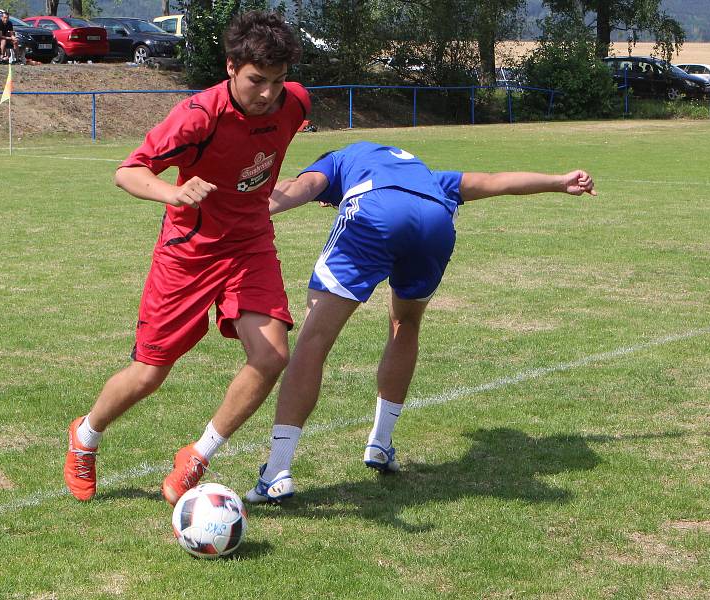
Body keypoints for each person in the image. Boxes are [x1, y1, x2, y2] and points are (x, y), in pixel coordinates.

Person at [245, 141, 597, 503]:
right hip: (435, 221)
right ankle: (380, 443)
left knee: (314, 340)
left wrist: (249, 212)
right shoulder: (427, 177)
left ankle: (277, 470)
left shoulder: (338, 160)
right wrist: (558, 181)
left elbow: (303, 186)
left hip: (375, 210)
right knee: (405, 324)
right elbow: (496, 181)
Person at [63, 10, 310, 505]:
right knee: (150, 371)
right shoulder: (198, 115)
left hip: (250, 244)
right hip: (189, 253)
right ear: (230, 67)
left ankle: (198, 454)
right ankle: (85, 436)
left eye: (277, 82)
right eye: (256, 81)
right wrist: (169, 194)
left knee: (271, 356)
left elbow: (268, 144)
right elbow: (128, 171)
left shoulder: (294, 103)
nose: (267, 94)